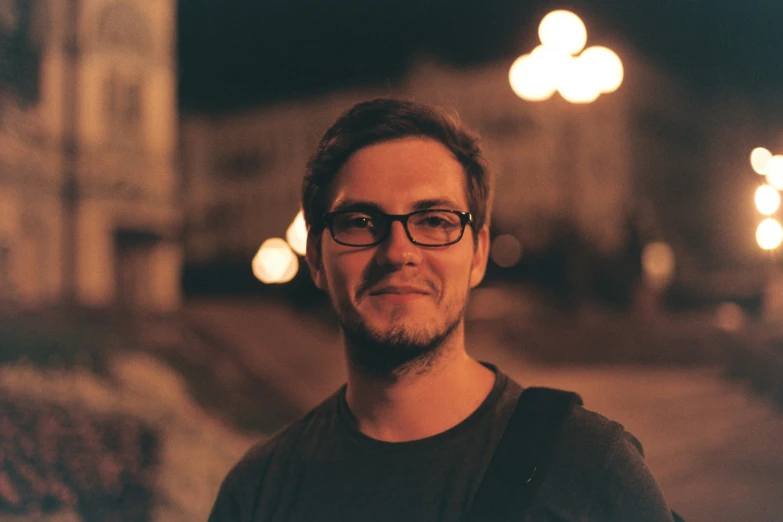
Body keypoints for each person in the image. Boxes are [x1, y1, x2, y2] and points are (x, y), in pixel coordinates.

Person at [208, 98, 675, 521]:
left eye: (434, 221)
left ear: (477, 254)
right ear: (315, 259)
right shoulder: (258, 492)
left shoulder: (591, 468)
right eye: (359, 222)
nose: (397, 252)